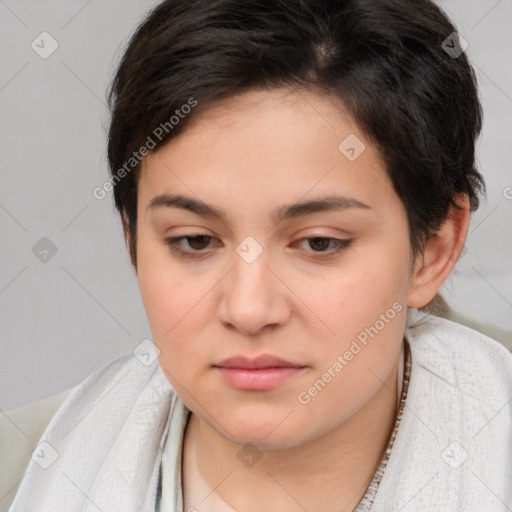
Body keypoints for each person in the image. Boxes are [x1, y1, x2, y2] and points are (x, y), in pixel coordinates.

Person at [7, 0, 512, 511]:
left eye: (319, 243)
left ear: (433, 249)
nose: (248, 310)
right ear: (133, 238)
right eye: (195, 241)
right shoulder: (23, 471)